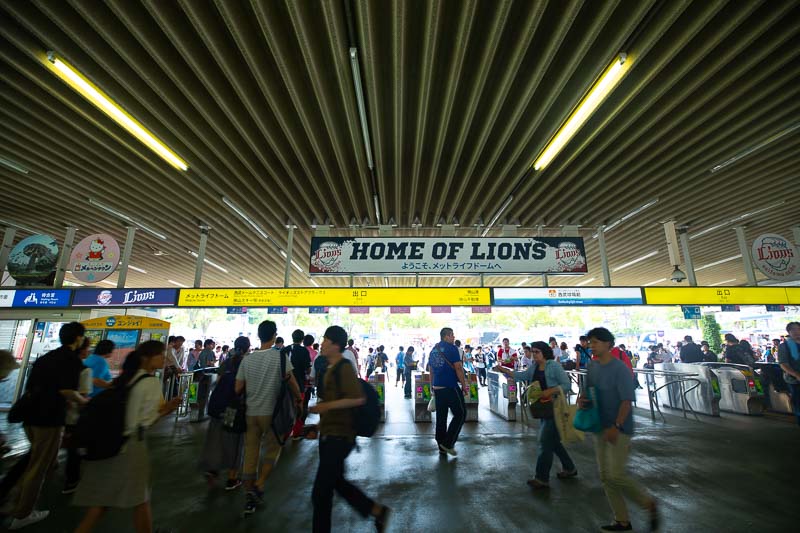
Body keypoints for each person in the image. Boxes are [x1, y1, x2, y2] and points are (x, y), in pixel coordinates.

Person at [74, 341, 181, 533]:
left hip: (107, 443)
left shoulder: (126, 379)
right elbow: (147, 421)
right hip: (130, 446)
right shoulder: (150, 381)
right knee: (140, 499)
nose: (164, 358)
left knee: (100, 504)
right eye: (160, 354)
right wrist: (168, 409)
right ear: (146, 358)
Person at [309, 325, 391, 532]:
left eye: (326, 340)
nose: (322, 343)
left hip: (340, 436)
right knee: (336, 483)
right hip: (329, 433)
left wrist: (325, 407)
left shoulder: (344, 367)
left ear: (335, 345)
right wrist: (319, 425)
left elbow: (357, 398)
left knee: (321, 492)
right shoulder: (329, 367)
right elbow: (336, 400)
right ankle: (376, 510)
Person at [8, 322, 87, 530]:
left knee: (39, 461)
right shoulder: (70, 360)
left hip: (30, 417)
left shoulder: (46, 358)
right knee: (38, 466)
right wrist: (85, 402)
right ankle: (22, 513)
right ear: (78, 338)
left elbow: (31, 385)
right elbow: (67, 391)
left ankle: (14, 500)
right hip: (49, 419)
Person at [579, 327, 658, 532]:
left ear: (608, 344)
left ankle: (648, 503)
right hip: (600, 426)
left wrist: (616, 426)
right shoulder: (592, 366)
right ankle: (621, 520)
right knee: (605, 475)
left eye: (595, 341)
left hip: (619, 428)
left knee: (616, 474)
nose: (591, 345)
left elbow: (626, 401)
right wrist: (583, 400)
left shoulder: (620, 368)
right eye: (590, 342)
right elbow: (588, 392)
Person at [235, 321, 302, 515]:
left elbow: (238, 388)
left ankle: (249, 496)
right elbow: (291, 382)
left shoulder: (247, 359)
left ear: (259, 335)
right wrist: (299, 399)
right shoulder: (280, 357)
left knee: (250, 453)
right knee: (274, 449)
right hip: (272, 415)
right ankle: (260, 484)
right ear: (274, 335)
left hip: (250, 413)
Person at [495, 341, 576, 489]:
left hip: (554, 408)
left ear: (545, 352)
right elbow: (521, 376)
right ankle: (570, 468)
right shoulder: (535, 367)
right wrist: (504, 369)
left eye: (536, 352)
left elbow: (567, 385)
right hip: (544, 409)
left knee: (544, 442)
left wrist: (550, 391)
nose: (533, 354)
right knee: (554, 443)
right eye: (533, 352)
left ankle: (541, 477)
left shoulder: (554, 366)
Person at [199, 336, 250, 490]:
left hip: (218, 406)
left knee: (218, 438)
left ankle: (213, 469)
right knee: (233, 440)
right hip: (233, 408)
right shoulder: (246, 363)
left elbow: (219, 381)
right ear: (247, 348)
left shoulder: (227, 361)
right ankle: (232, 478)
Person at [429, 328, 468, 457]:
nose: (453, 337)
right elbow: (458, 367)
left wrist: (431, 387)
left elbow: (431, 371)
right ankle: (448, 443)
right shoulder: (452, 349)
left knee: (441, 417)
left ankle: (441, 445)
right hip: (450, 387)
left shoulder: (433, 349)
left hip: (437, 387)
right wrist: (464, 385)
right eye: (452, 335)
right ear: (446, 336)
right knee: (460, 414)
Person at [62, 338, 94, 494]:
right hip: (74, 418)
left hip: (56, 416)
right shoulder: (84, 370)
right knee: (75, 451)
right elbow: (82, 397)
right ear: (81, 350)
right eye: (88, 348)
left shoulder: (60, 366)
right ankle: (72, 481)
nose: (89, 351)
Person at [283, 329, 311, 441]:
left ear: (292, 337)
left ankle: (283, 433)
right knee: (299, 408)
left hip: (284, 385)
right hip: (299, 385)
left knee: (285, 408)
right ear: (302, 339)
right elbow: (308, 370)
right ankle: (296, 433)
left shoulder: (284, 350)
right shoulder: (304, 351)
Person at [777, 322, 800, 426]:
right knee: (798, 403)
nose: (796, 332)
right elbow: (783, 364)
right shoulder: (784, 346)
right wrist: (796, 375)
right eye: (793, 330)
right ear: (789, 332)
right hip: (794, 380)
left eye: (798, 329)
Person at [193, 339, 217, 421]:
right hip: (205, 375)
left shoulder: (206, 352)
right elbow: (207, 364)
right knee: (203, 395)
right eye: (211, 344)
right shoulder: (207, 352)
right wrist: (210, 363)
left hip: (203, 375)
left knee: (203, 395)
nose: (213, 346)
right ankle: (201, 414)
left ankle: (201, 413)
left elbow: (211, 362)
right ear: (207, 345)